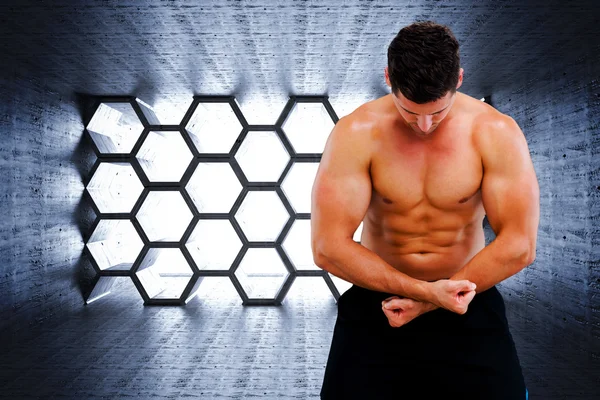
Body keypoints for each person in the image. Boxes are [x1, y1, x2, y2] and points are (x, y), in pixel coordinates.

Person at [311, 21, 539, 399]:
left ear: (460, 79)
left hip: (470, 300)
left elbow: (519, 244)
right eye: (410, 111)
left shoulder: (495, 131)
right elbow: (327, 247)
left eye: (438, 111)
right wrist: (425, 293)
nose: (425, 125)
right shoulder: (355, 133)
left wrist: (430, 302)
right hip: (377, 305)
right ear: (388, 78)